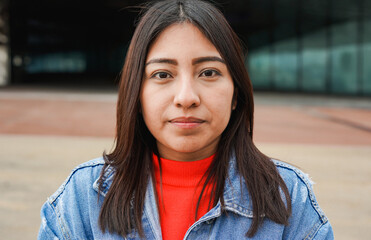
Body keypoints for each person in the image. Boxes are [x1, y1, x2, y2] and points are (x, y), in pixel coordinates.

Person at [38, 0, 334, 239]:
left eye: (209, 72)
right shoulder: (83, 198)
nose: (186, 97)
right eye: (162, 75)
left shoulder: (288, 197)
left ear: (236, 94)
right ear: (136, 94)